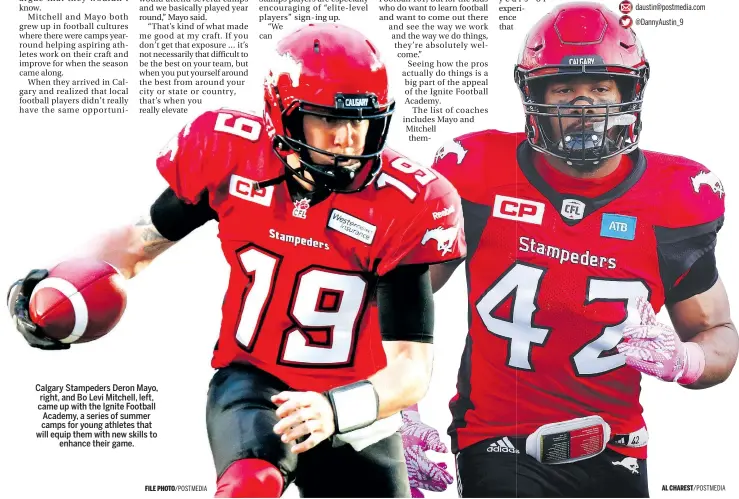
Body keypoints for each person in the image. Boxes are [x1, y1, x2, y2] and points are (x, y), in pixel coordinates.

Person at [7, 24, 466, 498]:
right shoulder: (230, 154)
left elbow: (411, 367)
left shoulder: (411, 202)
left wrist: (334, 409)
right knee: (250, 485)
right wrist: (56, 283)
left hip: (356, 407)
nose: (349, 140)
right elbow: (140, 242)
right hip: (256, 385)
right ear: (282, 118)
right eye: (328, 120)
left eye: (361, 120)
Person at [403, 2, 738, 497]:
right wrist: (390, 412)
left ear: (629, 94)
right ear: (535, 96)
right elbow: (397, 297)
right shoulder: (476, 172)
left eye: (601, 88)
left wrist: (686, 360)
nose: (584, 105)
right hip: (498, 443)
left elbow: (717, 332)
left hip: (619, 448)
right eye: (563, 88)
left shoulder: (676, 199)